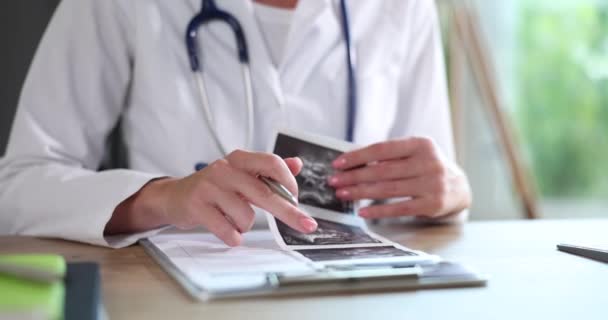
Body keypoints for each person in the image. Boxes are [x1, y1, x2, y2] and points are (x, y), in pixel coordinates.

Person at [0, 0, 471, 248]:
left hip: (348, 297)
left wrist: (451, 192)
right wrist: (164, 196)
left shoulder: (404, 7)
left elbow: (424, 202)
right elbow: (18, 187)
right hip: (174, 298)